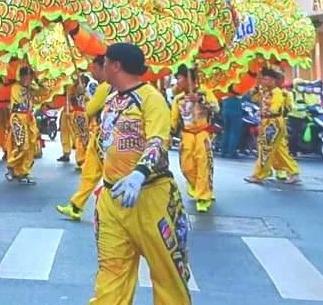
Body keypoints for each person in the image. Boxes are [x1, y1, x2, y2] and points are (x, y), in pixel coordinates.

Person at [89, 43, 191, 305]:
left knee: (168, 275)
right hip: (113, 199)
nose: (101, 67)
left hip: (151, 197)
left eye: (105, 62)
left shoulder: (151, 98)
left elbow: (158, 140)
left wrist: (139, 174)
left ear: (116, 66)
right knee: (111, 272)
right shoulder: (110, 99)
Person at [56, 55, 111, 221]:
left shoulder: (104, 87)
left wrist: (83, 95)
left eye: (95, 68)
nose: (92, 72)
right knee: (89, 172)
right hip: (101, 135)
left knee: (108, 174)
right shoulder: (106, 86)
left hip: (106, 137)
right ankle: (76, 206)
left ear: (103, 68)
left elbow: (90, 109)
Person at [170, 65, 219, 212]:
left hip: (202, 134)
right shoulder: (178, 99)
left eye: (179, 78)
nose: (178, 82)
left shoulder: (205, 92)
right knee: (186, 167)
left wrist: (199, 100)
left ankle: (203, 197)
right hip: (186, 135)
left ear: (189, 79)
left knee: (203, 164)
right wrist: (168, 134)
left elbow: (216, 108)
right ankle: (197, 186)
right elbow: (173, 120)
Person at [246, 68, 300, 184]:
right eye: (262, 79)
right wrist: (256, 88)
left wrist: (264, 112)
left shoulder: (277, 93)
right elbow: (254, 98)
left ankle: (259, 175)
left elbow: (275, 108)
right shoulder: (265, 91)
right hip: (266, 122)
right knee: (280, 150)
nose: (263, 81)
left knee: (265, 149)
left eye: (265, 79)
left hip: (273, 123)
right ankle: (293, 172)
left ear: (273, 80)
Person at [5, 66, 37, 184]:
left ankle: (23, 171)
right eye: (26, 76)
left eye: (30, 77)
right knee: (22, 144)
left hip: (29, 118)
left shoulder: (31, 86)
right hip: (18, 118)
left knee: (32, 144)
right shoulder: (16, 87)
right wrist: (27, 88)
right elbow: (19, 99)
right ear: (22, 77)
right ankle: (11, 165)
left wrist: (36, 80)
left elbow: (43, 91)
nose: (28, 79)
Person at [219, 85, 246, 158]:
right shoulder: (238, 97)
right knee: (234, 133)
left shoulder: (224, 96)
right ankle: (232, 152)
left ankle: (224, 151)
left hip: (225, 113)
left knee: (226, 131)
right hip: (236, 113)